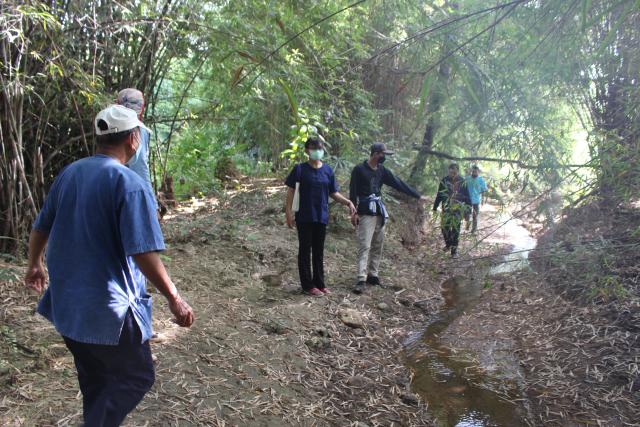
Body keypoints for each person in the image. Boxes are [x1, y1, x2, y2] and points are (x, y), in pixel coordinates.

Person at [24, 105, 194, 426]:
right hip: (109, 313)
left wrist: (34, 263)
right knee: (136, 376)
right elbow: (143, 252)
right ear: (133, 139)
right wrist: (174, 297)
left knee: (96, 383)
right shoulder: (128, 183)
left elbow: (41, 226)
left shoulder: (70, 173)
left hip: (69, 309)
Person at [349, 143, 425, 294]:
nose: (384, 157)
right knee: (365, 245)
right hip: (365, 211)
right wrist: (353, 212)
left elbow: (398, 183)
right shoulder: (359, 169)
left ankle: (373, 274)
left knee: (378, 244)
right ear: (376, 154)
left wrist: (417, 195)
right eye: (383, 154)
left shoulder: (382, 170)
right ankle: (361, 279)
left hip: (379, 211)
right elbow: (353, 191)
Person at [285, 137, 356, 296]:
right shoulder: (300, 169)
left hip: (321, 216)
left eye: (320, 148)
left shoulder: (328, 171)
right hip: (304, 216)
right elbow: (291, 191)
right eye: (313, 148)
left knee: (319, 251)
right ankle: (307, 286)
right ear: (307, 150)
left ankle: (319, 283)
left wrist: (348, 202)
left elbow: (333, 192)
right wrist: (288, 212)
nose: (317, 151)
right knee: (305, 250)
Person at [116, 88, 158, 211]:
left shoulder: (105, 126)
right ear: (142, 108)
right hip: (129, 196)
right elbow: (141, 169)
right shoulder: (138, 131)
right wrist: (152, 205)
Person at [433, 163, 471, 258]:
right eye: (450, 172)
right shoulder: (444, 180)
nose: (452, 174)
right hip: (446, 208)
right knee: (444, 228)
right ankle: (448, 244)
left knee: (455, 230)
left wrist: (468, 211)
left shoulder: (462, 181)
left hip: (458, 209)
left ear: (457, 171)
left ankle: (454, 252)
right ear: (448, 171)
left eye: (454, 172)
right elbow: (439, 194)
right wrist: (435, 207)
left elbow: (467, 196)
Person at [464, 165, 488, 233]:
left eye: (475, 171)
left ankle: (474, 230)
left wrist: (483, 200)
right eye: (473, 171)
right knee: (466, 215)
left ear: (478, 172)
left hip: (476, 201)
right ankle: (467, 227)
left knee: (475, 215)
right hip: (467, 200)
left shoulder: (481, 180)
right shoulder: (467, 178)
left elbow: (483, 190)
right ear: (471, 171)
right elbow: (463, 188)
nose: (474, 172)